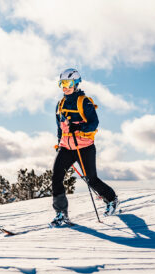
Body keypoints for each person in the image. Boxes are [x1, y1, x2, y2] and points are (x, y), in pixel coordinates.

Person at [51, 68, 119, 227]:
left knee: (91, 179)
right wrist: (59, 141)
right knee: (56, 177)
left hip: (84, 147)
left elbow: (94, 123)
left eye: (68, 83)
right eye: (61, 83)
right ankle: (61, 214)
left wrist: (78, 129)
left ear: (75, 83)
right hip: (66, 147)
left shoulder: (84, 101)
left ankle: (111, 199)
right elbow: (60, 127)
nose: (65, 87)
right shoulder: (59, 104)